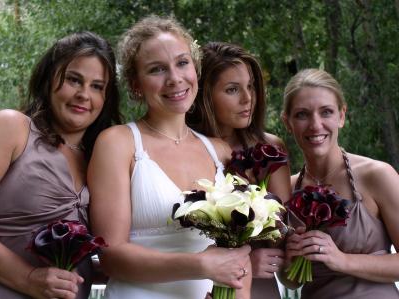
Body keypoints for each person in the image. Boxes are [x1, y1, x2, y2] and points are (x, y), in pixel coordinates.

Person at [87, 15, 252, 299]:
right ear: (136, 84)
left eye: (182, 63)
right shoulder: (118, 143)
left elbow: (239, 256)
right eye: (156, 69)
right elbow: (110, 255)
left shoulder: (221, 152)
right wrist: (200, 265)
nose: (174, 78)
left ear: (195, 69)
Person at [0, 31, 122, 299]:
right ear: (48, 79)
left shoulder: (102, 158)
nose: (84, 94)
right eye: (73, 80)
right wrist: (29, 279)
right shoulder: (13, 128)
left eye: (97, 86)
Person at [281, 68, 399, 298]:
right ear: (287, 122)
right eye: (302, 115)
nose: (315, 125)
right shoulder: (288, 189)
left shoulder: (377, 176)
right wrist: (290, 260)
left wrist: (342, 260)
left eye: (326, 112)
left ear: (342, 116)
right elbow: (291, 281)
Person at [187, 41, 291, 299]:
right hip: (189, 284)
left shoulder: (269, 149)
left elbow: (283, 235)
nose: (248, 99)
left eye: (251, 87)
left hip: (258, 289)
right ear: (204, 95)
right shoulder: (183, 147)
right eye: (232, 89)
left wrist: (249, 261)